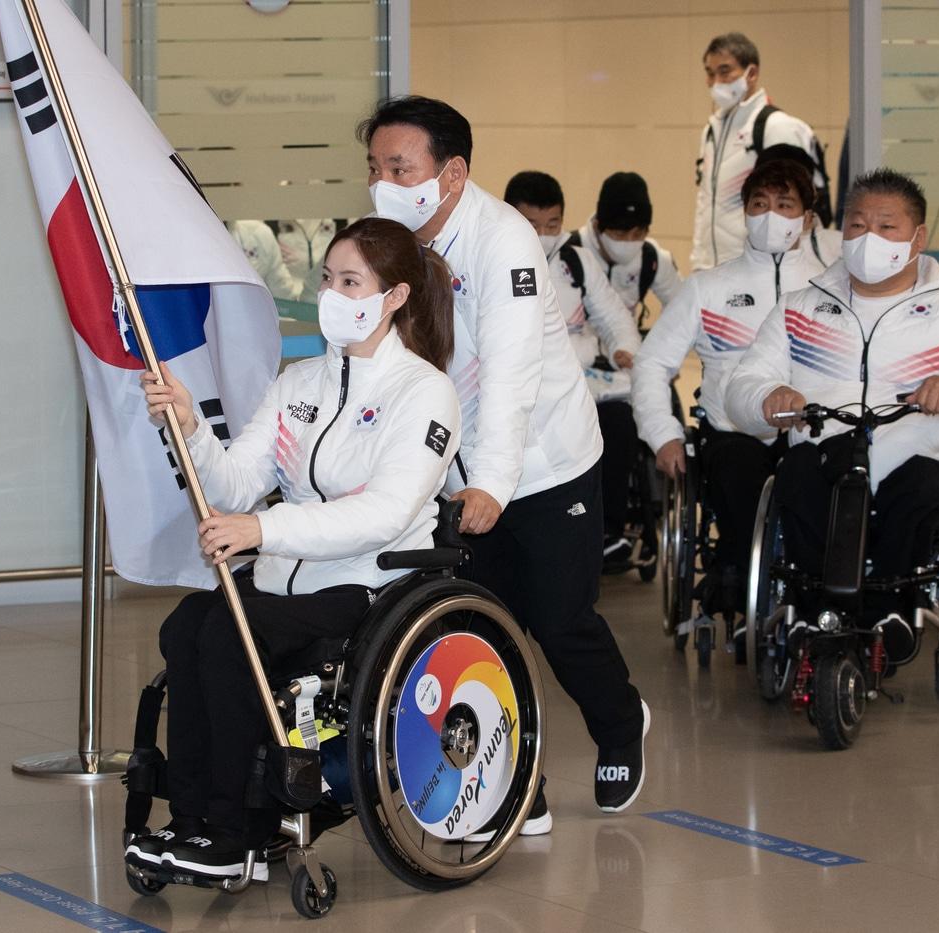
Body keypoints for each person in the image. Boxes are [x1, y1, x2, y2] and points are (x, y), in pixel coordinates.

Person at [124, 217, 462, 880]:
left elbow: (386, 513)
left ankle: (234, 832)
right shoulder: (298, 384)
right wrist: (190, 428)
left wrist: (265, 531)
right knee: (187, 626)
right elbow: (234, 483)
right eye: (327, 278)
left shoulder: (425, 392)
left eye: (350, 282)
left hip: (367, 583)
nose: (331, 293)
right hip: (283, 577)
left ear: (394, 296)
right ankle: (190, 822)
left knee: (229, 635)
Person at [359, 96, 649, 827]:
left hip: (546, 462)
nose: (383, 183)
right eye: (374, 168)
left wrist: (492, 481)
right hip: (458, 470)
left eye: (399, 168)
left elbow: (510, 373)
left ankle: (621, 723)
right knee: (479, 627)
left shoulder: (504, 240)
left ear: (452, 173)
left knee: (559, 620)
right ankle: (517, 781)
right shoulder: (389, 242)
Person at [725, 169, 939, 639]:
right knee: (795, 475)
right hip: (825, 447)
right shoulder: (799, 307)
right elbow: (744, 383)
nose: (868, 239)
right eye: (858, 225)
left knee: (922, 487)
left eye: (886, 227)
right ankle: (812, 614)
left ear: (918, 238)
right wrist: (767, 396)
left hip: (916, 450)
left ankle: (890, 611)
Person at [632, 158, 828, 619]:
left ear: (807, 218)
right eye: (760, 204)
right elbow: (652, 362)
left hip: (812, 433)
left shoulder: (830, 288)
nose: (770, 215)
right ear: (745, 212)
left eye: (785, 204)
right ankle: (739, 582)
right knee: (741, 481)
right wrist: (663, 434)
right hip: (732, 434)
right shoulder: (708, 287)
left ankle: (813, 602)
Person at [504, 170, 645, 572]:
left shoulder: (577, 262)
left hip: (580, 383)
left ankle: (608, 531)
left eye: (552, 224)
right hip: (520, 386)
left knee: (618, 422)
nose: (543, 234)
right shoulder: (489, 259)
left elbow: (614, 317)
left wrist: (624, 348)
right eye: (532, 224)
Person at [692, 32, 826, 271]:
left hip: (759, 267)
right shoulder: (711, 130)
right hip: (712, 268)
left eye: (724, 71)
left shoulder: (778, 127)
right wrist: (699, 261)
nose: (715, 82)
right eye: (710, 73)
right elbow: (705, 203)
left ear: (751, 73)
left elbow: (802, 205)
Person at [574, 171, 683, 320]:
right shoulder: (568, 253)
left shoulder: (652, 258)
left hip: (627, 333)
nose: (629, 241)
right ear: (598, 227)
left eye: (638, 234)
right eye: (620, 234)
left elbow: (683, 308)